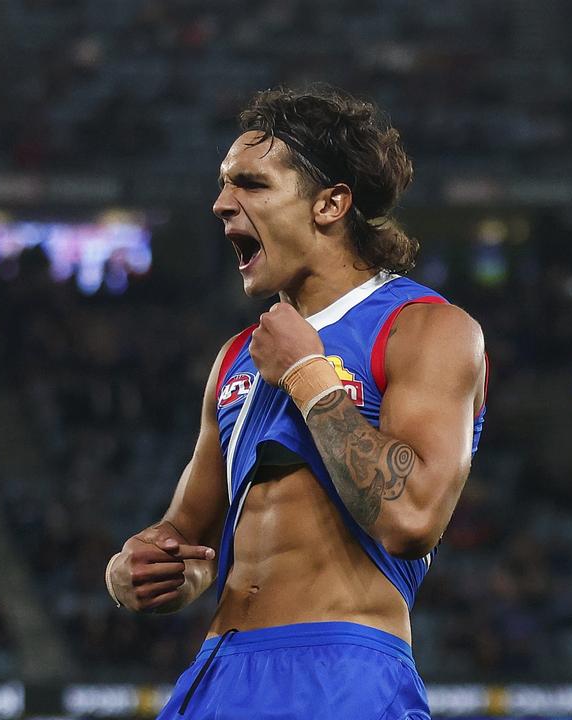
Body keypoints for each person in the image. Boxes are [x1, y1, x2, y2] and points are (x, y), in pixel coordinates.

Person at [104, 84, 487, 719]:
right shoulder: (237, 356)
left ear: (331, 203)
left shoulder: (426, 329)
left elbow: (413, 517)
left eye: (250, 185)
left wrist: (309, 375)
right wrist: (143, 569)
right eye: (225, 184)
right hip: (217, 672)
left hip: (338, 673)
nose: (221, 203)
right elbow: (187, 535)